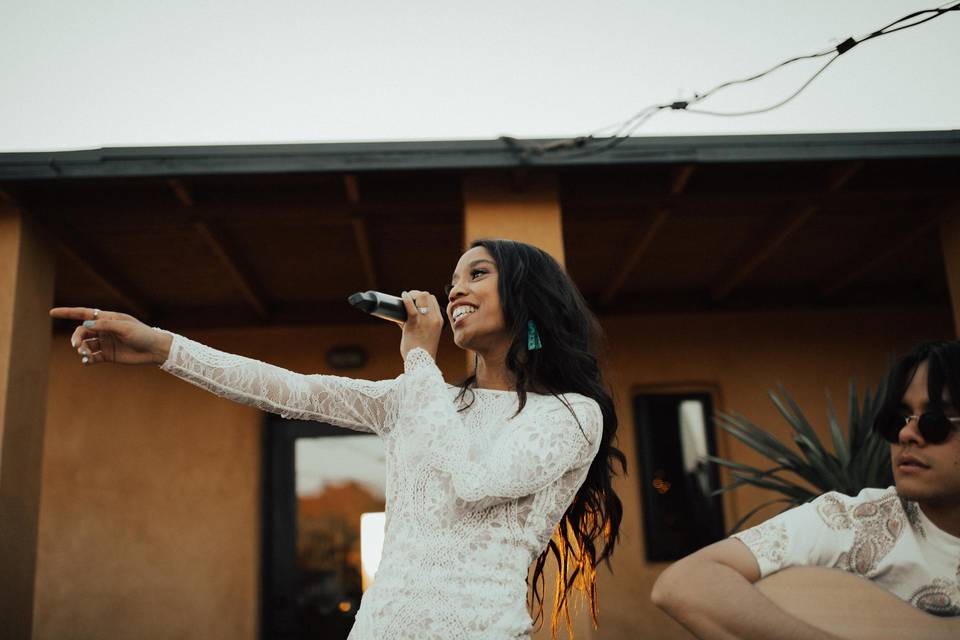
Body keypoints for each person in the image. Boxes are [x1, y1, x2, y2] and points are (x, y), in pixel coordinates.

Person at [50, 238, 626, 640]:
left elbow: (475, 479)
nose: (453, 292)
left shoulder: (571, 415)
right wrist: (162, 347)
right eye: (451, 281)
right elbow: (289, 390)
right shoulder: (418, 399)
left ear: (528, 296)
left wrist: (419, 361)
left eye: (477, 274)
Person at [651, 340, 960, 639]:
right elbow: (684, 582)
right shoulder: (854, 523)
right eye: (897, 421)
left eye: (935, 421)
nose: (907, 433)